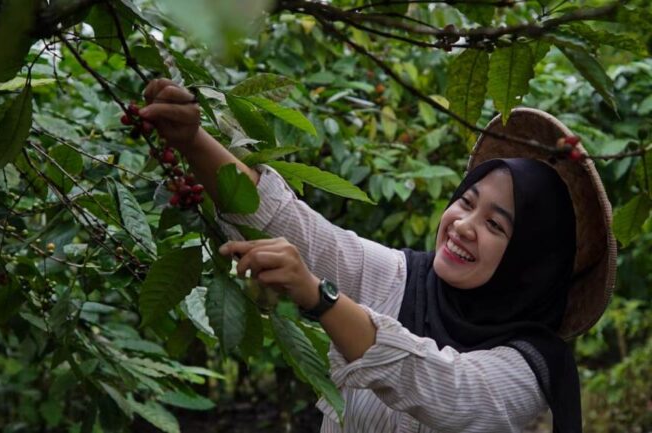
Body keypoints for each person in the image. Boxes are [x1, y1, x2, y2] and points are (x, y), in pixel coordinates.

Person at [138, 79, 616, 433]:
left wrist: (321, 299)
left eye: (495, 225)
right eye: (466, 203)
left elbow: (449, 391)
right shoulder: (401, 277)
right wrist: (192, 140)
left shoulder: (530, 367)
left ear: (527, 263)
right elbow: (294, 226)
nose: (465, 226)